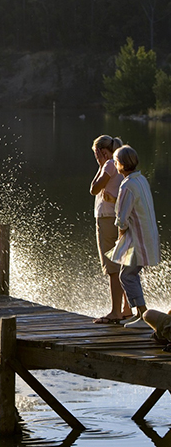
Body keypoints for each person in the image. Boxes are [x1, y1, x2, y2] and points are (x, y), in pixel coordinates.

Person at [106, 145, 160, 328]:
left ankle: (143, 316)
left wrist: (120, 238)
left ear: (120, 164)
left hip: (137, 239)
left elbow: (122, 218)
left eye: (115, 161)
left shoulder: (127, 185)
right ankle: (142, 314)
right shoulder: (141, 179)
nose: (115, 164)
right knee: (129, 274)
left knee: (127, 276)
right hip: (148, 236)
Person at [90, 135, 131, 324]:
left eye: (96, 153)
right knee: (124, 263)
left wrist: (100, 165)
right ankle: (126, 308)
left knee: (112, 267)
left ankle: (115, 311)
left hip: (107, 219)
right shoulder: (121, 163)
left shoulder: (107, 165)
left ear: (101, 152)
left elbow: (94, 189)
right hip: (120, 217)